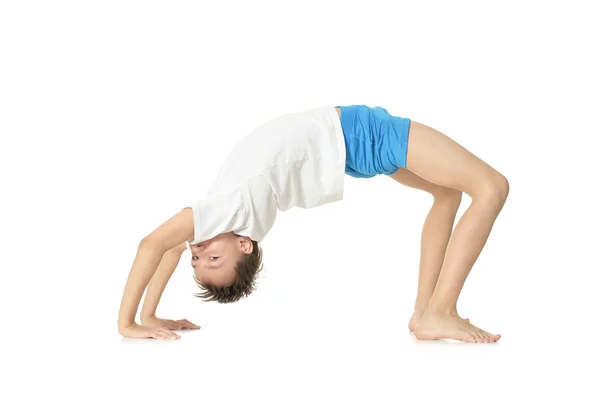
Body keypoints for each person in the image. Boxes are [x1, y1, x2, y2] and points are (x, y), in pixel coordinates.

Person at [117, 105, 509, 343]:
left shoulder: (220, 214)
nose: (198, 251)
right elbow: (151, 245)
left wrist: (147, 316)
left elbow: (167, 247)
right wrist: (126, 324)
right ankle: (440, 310)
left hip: (350, 144)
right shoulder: (228, 208)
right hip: (359, 134)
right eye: (212, 260)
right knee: (492, 187)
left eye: (198, 259)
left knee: (447, 193)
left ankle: (426, 312)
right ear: (245, 246)